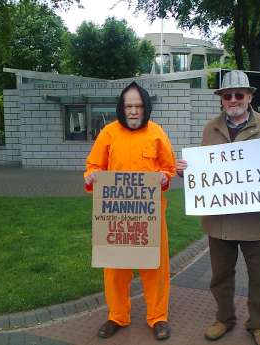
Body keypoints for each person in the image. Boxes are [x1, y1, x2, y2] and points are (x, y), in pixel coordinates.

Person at [176, 70, 260, 345]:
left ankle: (259, 324)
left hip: (256, 222)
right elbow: (206, 172)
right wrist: (187, 174)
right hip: (220, 221)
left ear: (250, 96)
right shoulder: (210, 128)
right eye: (227, 95)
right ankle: (224, 318)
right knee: (220, 276)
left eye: (239, 94)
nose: (232, 99)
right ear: (221, 100)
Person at [84, 81, 176, 340]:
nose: (133, 111)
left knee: (155, 268)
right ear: (121, 109)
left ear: (145, 107)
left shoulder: (157, 133)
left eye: (138, 106)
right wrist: (92, 177)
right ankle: (117, 316)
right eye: (128, 106)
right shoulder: (108, 133)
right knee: (115, 269)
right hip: (116, 215)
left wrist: (164, 178)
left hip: (151, 214)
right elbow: (93, 165)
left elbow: (168, 169)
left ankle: (158, 318)